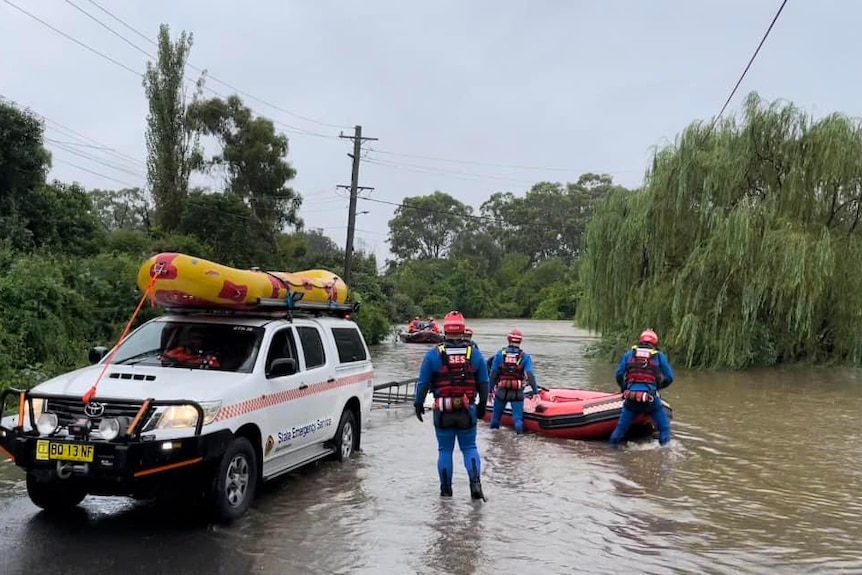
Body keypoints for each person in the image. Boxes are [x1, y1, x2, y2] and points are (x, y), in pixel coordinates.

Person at [414, 311, 490, 500]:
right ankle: (475, 484)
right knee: (470, 447)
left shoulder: (433, 355)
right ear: (463, 330)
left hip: (442, 411)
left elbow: (423, 383)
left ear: (445, 330)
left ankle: (446, 491)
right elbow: (484, 382)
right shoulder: (475, 354)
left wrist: (418, 404)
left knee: (445, 450)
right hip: (467, 410)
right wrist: (482, 406)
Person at [609, 329, 674, 446]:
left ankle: (612, 451)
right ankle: (665, 454)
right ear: (654, 343)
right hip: (651, 400)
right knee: (664, 429)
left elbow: (619, 374)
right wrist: (657, 387)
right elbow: (669, 377)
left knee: (620, 430)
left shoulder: (630, 354)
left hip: (631, 399)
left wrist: (624, 388)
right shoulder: (659, 356)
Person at [488, 328, 537, 435]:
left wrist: (489, 390)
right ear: (520, 341)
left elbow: (493, 374)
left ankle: (493, 442)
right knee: (518, 420)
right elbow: (530, 375)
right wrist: (535, 391)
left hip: (502, 390)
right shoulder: (525, 357)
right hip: (517, 392)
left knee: (495, 419)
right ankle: (518, 442)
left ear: (508, 339)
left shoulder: (500, 354)